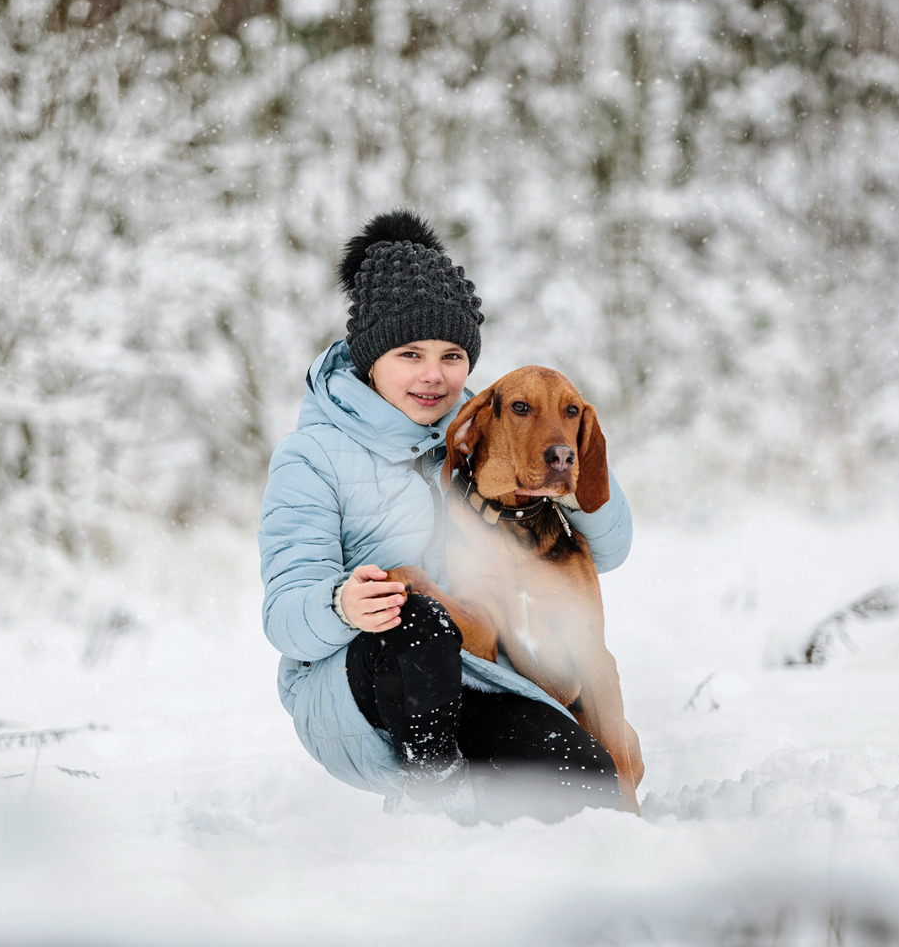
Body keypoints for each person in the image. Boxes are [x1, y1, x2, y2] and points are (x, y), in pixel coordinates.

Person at [258, 211, 635, 823]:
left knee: (584, 786)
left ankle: (480, 790)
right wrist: (339, 604)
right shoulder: (310, 458)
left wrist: (565, 466)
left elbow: (611, 551)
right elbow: (283, 619)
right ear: (371, 358)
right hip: (364, 681)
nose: (433, 375)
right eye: (410, 353)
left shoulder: (485, 429)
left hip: (481, 674)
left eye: (452, 355)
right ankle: (431, 793)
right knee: (412, 602)